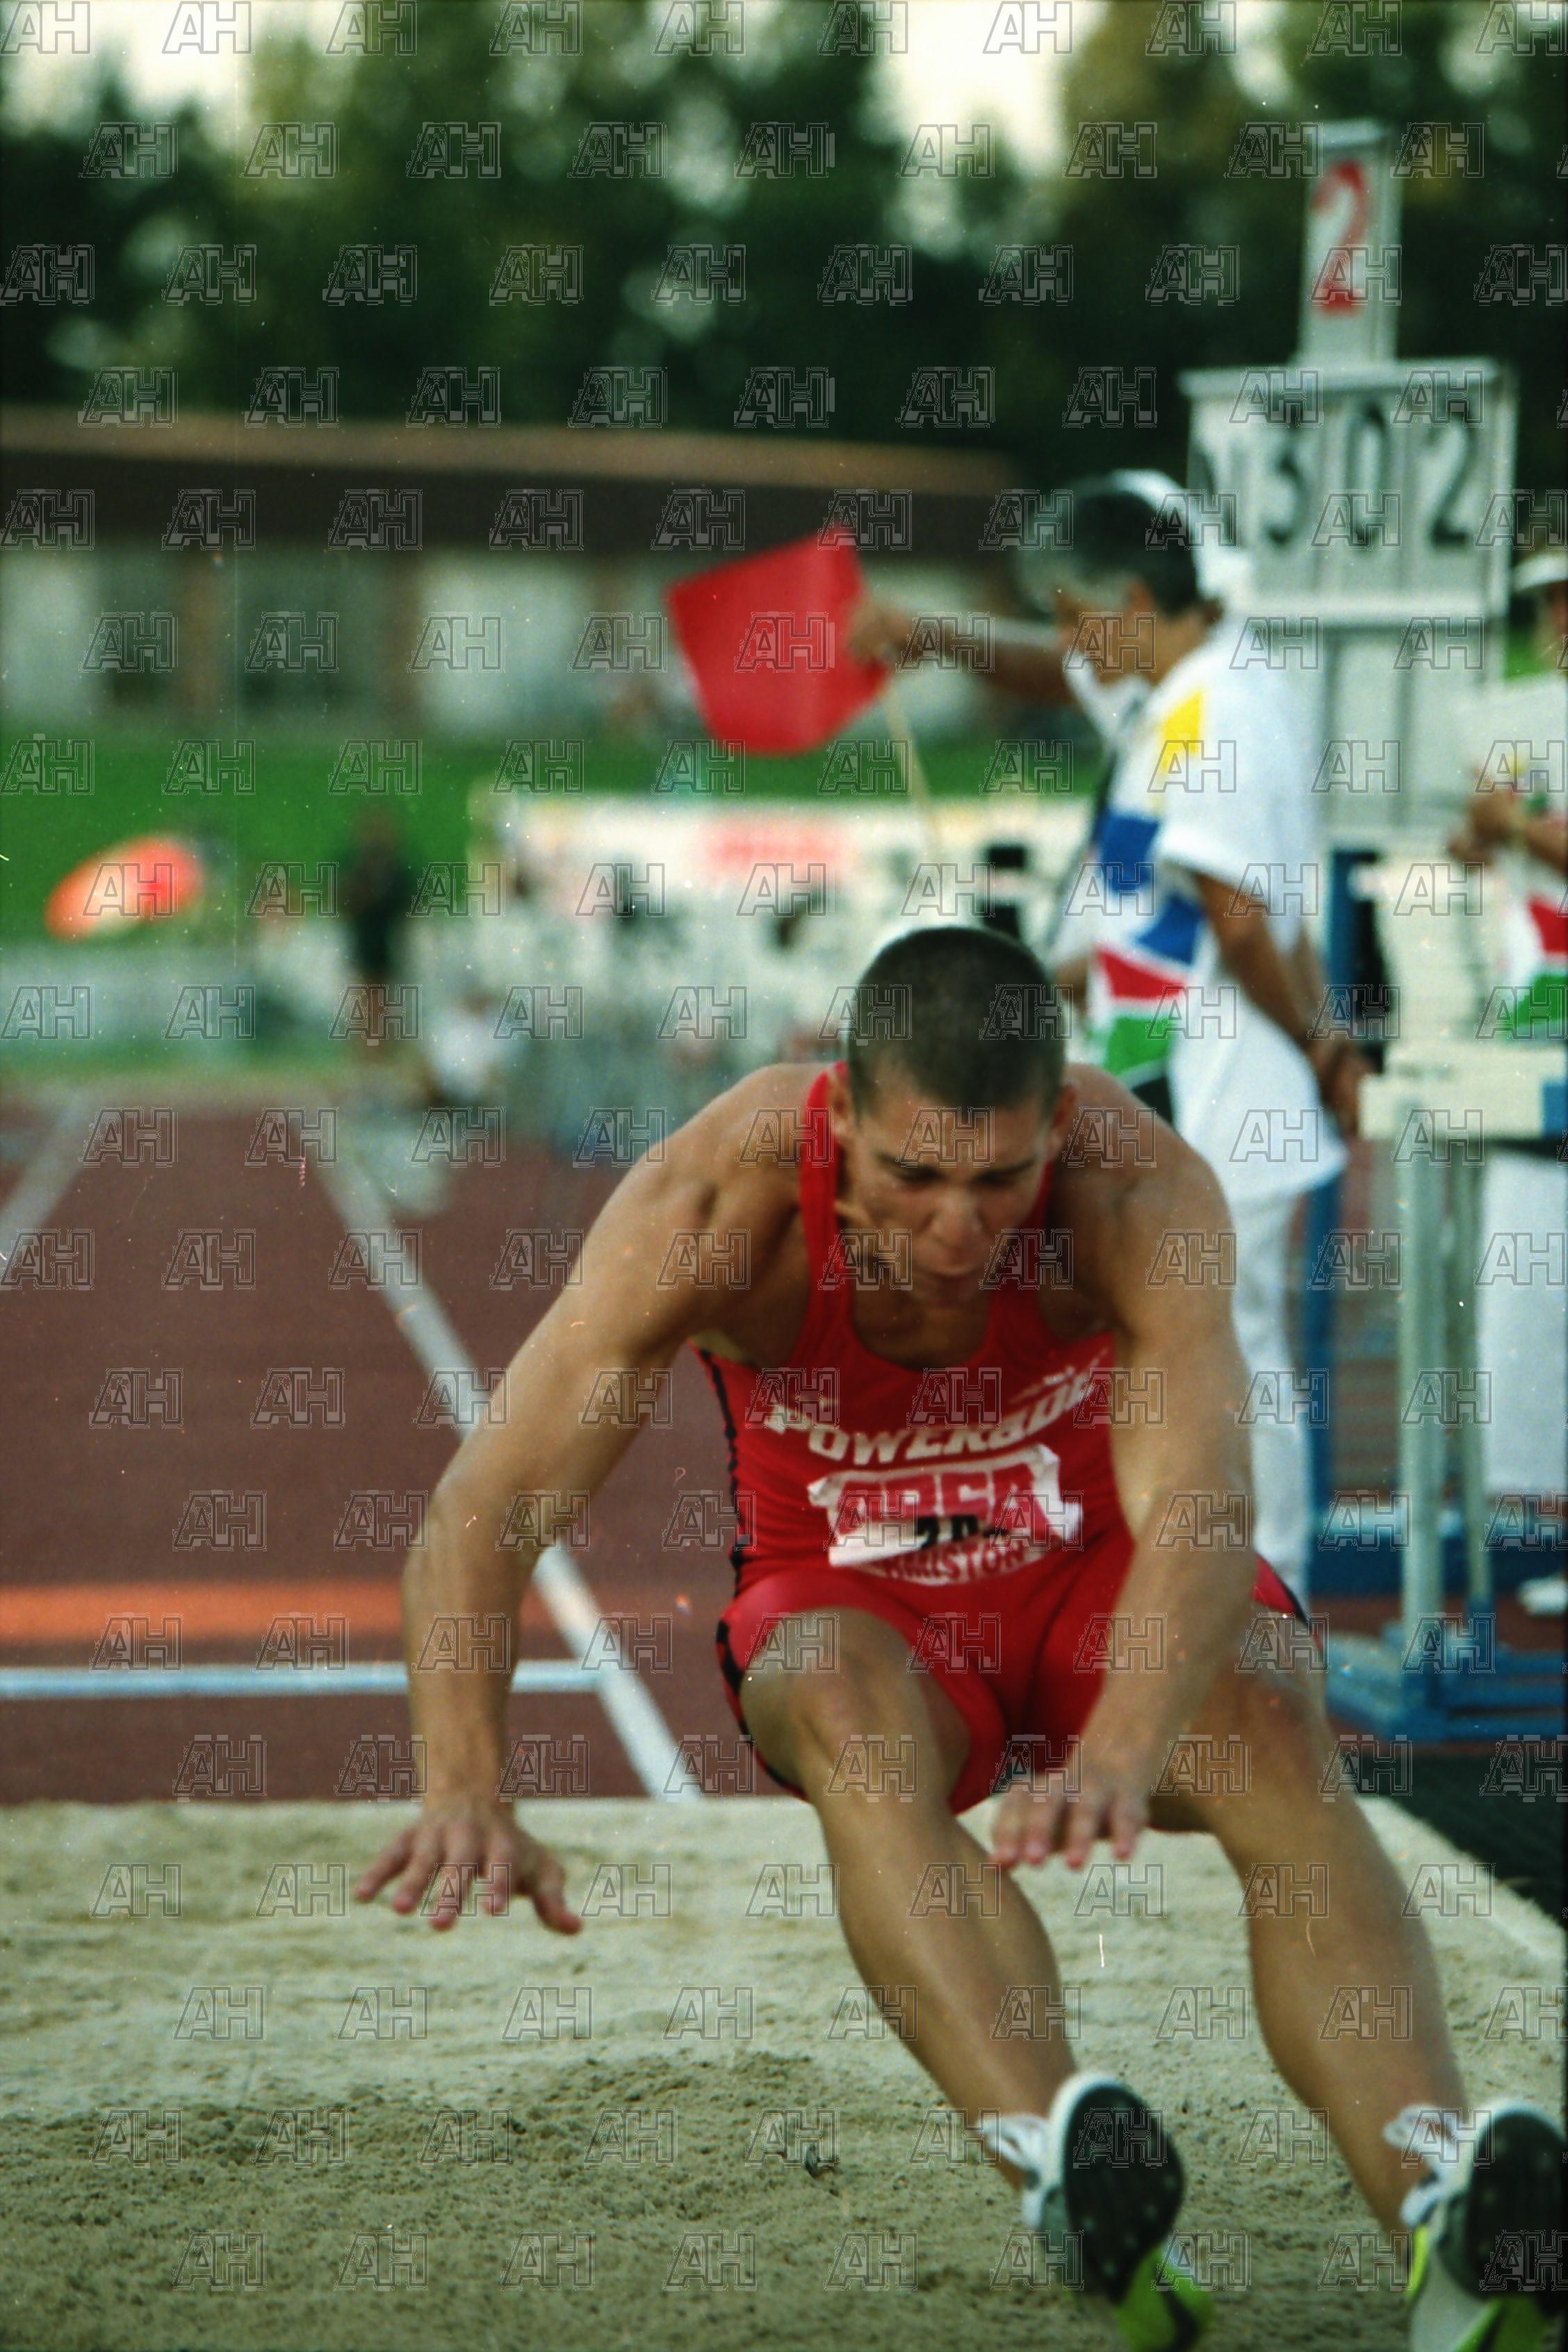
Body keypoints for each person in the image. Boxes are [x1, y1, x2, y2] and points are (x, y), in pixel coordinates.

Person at [354, 926, 1562, 2352]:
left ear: (1056, 1128)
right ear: (840, 1113)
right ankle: (1064, 2159)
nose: (953, 1230)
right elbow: (481, 1514)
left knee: (1261, 1707)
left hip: (1089, 1571)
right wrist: (465, 1785)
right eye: (911, 1178)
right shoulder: (714, 1200)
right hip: (855, 1603)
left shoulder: (1136, 1190)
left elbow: (1200, 1510)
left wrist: (1117, 1748)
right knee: (845, 1719)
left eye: (999, 1183)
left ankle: (1441, 2209)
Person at [849, 478, 1363, 1610]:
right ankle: (1198, 1580)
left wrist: (1322, 1047)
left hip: (1220, 1091)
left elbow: (1235, 920)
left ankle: (1269, 1593)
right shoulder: (1174, 689)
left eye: (1080, 615)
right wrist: (930, 634)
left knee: (1229, 1351)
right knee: (1167, 1347)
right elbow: (1053, 677)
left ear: (1135, 600)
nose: (1072, 643)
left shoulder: (1217, 712)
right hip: (1169, 1078)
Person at [1447, 546, 1568, 1543]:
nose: (1558, 620)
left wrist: (1516, 823)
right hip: (1539, 1012)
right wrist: (1484, 830)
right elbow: (1492, 838)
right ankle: (1535, 1500)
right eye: (1548, 604)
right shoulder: (1528, 725)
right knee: (1524, 1264)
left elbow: (1535, 832)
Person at [338, 808, 416, 1055]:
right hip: (365, 941)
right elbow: (345, 902)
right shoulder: (356, 868)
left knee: (383, 996)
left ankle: (381, 1046)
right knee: (366, 995)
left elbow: (407, 906)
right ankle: (367, 1046)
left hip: (386, 941)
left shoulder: (395, 871)